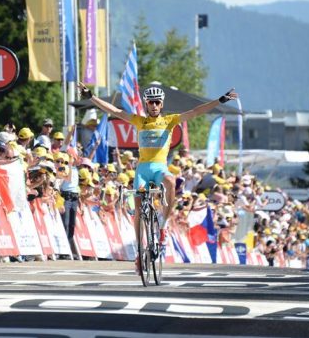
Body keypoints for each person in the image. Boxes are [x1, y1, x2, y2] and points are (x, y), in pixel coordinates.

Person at [78, 81, 237, 273]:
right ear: (146, 104)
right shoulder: (140, 121)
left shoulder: (169, 121)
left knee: (170, 180)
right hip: (142, 170)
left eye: (156, 102)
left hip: (159, 168)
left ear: (161, 104)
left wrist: (220, 100)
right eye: (150, 102)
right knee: (138, 210)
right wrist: (91, 96)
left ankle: (163, 225)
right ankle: (139, 251)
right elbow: (115, 111)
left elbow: (196, 111)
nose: (153, 105)